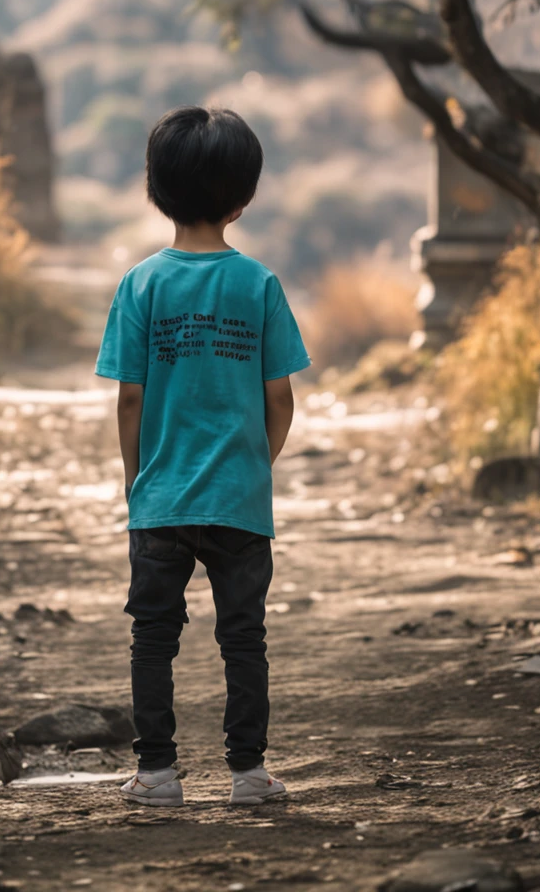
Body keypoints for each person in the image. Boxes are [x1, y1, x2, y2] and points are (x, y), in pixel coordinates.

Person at [95, 105, 310, 807]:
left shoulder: (141, 285)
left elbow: (131, 399)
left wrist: (138, 480)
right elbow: (280, 398)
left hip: (160, 497)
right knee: (244, 638)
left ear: (156, 188)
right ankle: (249, 775)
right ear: (242, 199)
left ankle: (156, 775)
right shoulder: (260, 285)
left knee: (153, 638)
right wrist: (256, 461)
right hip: (240, 499)